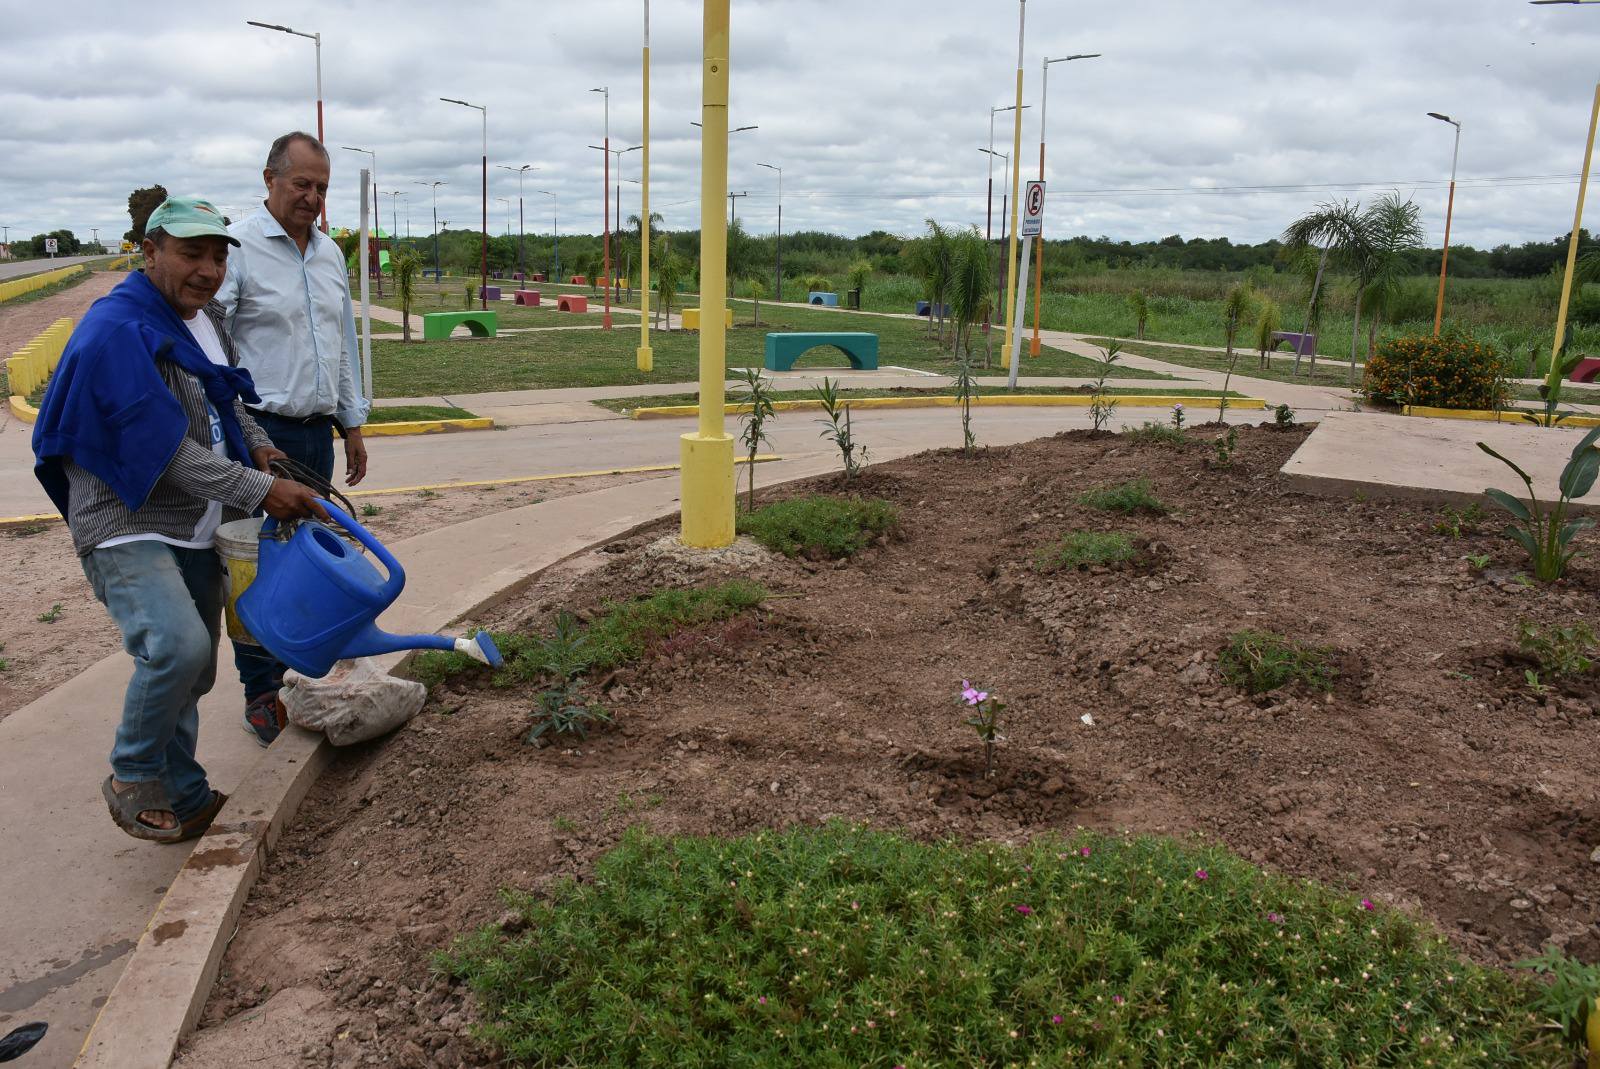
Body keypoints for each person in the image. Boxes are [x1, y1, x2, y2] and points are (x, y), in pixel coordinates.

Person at [31, 197, 326, 843]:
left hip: (193, 516)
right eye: (192, 253)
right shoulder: (117, 329)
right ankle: (132, 772)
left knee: (195, 672)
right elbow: (162, 452)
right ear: (150, 251)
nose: (209, 269)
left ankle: (186, 795)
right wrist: (259, 487)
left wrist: (259, 445)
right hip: (124, 514)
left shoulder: (202, 316)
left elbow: (221, 391)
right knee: (177, 646)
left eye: (219, 255)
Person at [218, 131, 371, 745]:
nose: (312, 198)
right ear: (270, 179)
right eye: (302, 184)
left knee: (309, 559)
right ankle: (260, 689)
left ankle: (302, 673)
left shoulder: (330, 255)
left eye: (321, 188)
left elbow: (337, 349)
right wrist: (235, 428)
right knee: (254, 564)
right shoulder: (241, 250)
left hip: (315, 437)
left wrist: (351, 422)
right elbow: (212, 346)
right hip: (259, 436)